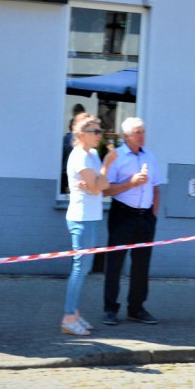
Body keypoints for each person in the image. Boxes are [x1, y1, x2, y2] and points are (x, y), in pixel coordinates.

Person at [101, 117, 162, 326]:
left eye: (144, 131)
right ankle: (110, 309)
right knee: (115, 263)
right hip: (122, 214)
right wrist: (130, 183)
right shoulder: (115, 157)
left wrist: (153, 215)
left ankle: (136, 308)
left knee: (141, 265)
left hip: (145, 217)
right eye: (138, 132)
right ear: (126, 136)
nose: (142, 136)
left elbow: (155, 187)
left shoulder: (150, 157)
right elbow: (104, 190)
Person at [63, 115, 117, 336]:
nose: (99, 135)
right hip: (81, 218)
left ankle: (74, 312)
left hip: (92, 216)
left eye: (100, 131)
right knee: (80, 268)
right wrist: (106, 166)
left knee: (85, 268)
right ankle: (68, 317)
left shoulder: (92, 154)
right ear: (81, 135)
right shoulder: (80, 157)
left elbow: (102, 187)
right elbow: (97, 189)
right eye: (95, 132)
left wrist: (97, 181)